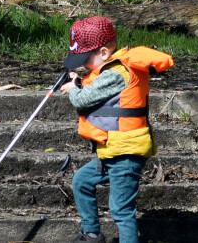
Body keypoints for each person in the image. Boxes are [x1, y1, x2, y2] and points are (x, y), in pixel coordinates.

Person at [57, 16, 174, 243]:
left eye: (85, 57)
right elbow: (97, 93)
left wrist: (73, 89)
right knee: (81, 180)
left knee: (121, 209)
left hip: (126, 152)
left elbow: (84, 100)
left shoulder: (115, 73)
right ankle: (91, 234)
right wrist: (78, 83)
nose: (82, 64)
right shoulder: (108, 70)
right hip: (112, 150)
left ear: (103, 52)